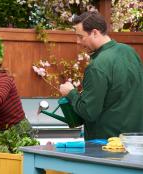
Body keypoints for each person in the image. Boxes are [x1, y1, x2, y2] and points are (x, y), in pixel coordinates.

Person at [59, 11, 143, 140]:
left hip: (106, 145)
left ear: (94, 32)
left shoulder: (97, 66)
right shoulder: (130, 52)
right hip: (136, 141)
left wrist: (71, 93)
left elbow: (89, 112)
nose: (78, 42)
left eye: (81, 37)